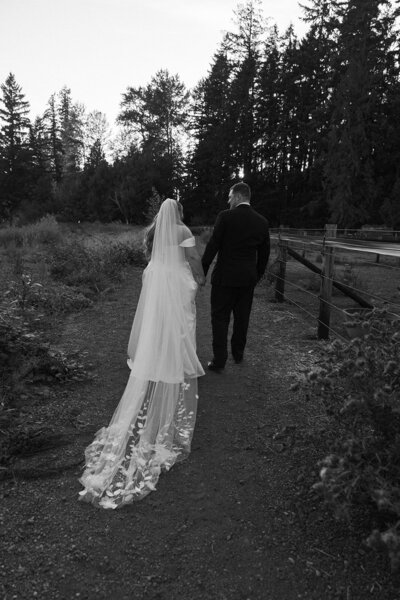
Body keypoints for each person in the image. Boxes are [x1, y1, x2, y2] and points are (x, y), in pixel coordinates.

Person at [79, 198, 205, 509]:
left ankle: (157, 357)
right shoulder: (182, 229)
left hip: (157, 280)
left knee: (156, 324)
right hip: (175, 283)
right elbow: (194, 259)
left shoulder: (153, 231)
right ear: (178, 213)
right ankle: (173, 360)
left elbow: (150, 258)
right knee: (178, 326)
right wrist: (200, 279)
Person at [202, 182, 270, 372]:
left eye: (230, 196)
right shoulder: (262, 222)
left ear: (239, 197)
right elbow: (264, 254)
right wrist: (256, 276)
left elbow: (213, 246)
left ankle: (219, 360)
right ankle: (238, 355)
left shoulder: (225, 217)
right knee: (242, 318)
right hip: (247, 279)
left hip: (224, 278)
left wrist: (202, 273)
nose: (228, 200)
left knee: (220, 318)